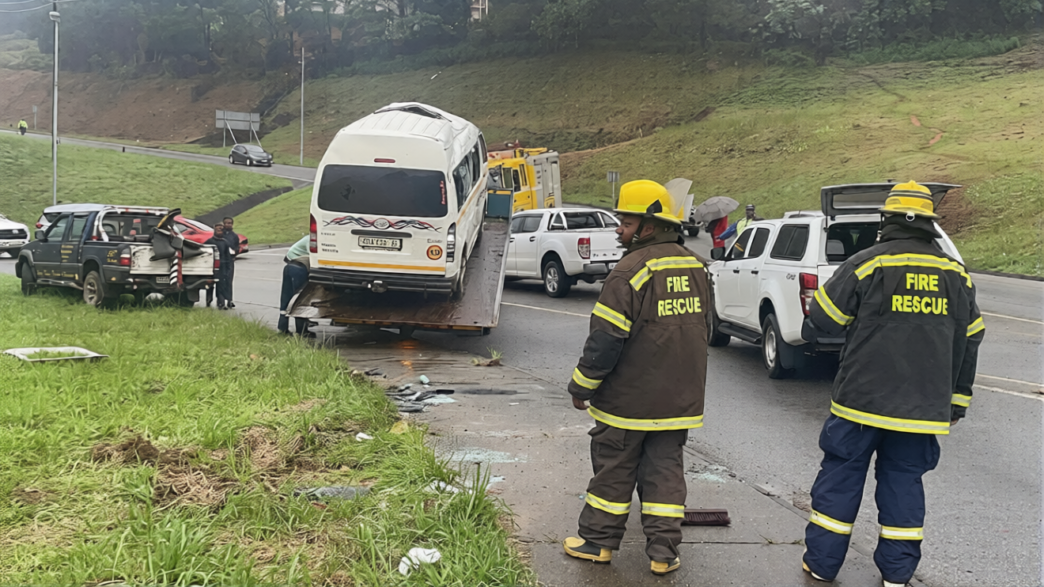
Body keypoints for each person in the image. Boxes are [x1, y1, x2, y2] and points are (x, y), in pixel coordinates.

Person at [799, 181, 984, 587]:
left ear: (887, 221)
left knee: (841, 478)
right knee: (904, 484)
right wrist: (956, 399)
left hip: (860, 403)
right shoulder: (955, 274)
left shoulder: (866, 264)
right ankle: (898, 574)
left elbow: (821, 323)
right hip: (921, 410)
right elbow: (971, 338)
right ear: (929, 226)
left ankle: (822, 565)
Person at [563, 179, 711, 576]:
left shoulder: (629, 270)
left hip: (629, 401)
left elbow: (606, 340)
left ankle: (596, 542)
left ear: (649, 225)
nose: (618, 229)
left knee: (614, 468)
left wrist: (582, 386)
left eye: (625, 222)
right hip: (680, 400)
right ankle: (663, 553)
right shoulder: (696, 266)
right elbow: (704, 330)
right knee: (665, 472)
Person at [278, 235, 313, 337]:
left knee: (286, 297)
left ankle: (283, 328)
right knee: (301, 298)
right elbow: (314, 256)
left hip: (290, 267)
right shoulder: (311, 239)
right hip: (299, 269)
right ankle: (302, 331)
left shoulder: (309, 238)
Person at [205, 224, 232, 309]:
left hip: (222, 266)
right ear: (214, 231)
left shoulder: (225, 242)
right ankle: (208, 300)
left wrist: (228, 268)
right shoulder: (209, 242)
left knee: (221, 285)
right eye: (217, 230)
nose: (219, 232)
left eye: (221, 230)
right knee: (209, 285)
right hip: (211, 266)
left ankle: (221, 302)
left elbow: (228, 257)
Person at [221, 216, 240, 308]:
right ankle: (220, 301)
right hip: (221, 260)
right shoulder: (220, 234)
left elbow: (237, 247)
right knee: (221, 281)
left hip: (230, 260)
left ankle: (229, 300)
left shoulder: (234, 236)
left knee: (229, 280)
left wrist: (235, 252)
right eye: (226, 223)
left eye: (230, 223)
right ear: (223, 224)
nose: (228, 225)